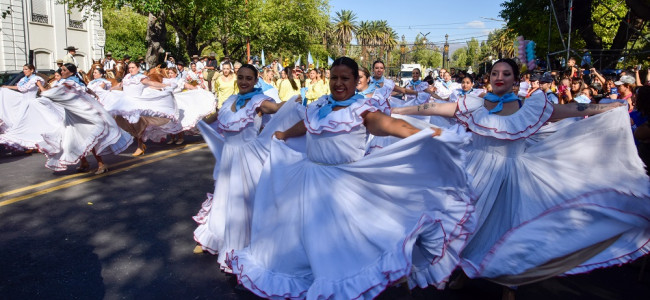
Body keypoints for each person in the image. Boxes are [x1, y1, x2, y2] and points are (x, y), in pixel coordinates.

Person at [392, 58, 650, 296]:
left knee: (509, 229)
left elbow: (572, 109)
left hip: (515, 176)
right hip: (476, 172)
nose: (499, 77)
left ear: (516, 79)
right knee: (466, 227)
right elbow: (435, 106)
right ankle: (464, 272)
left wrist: (609, 107)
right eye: (495, 73)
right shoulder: (473, 104)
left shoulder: (530, 106)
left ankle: (509, 285)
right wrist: (399, 111)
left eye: (506, 73)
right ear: (489, 78)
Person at [228, 57, 475, 299]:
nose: (338, 83)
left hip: (344, 185)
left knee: (349, 243)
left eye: (345, 78)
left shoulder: (361, 110)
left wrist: (432, 133)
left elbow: (392, 125)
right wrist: (282, 134)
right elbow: (307, 125)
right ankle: (318, 277)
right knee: (305, 239)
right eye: (334, 77)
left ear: (356, 80)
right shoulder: (319, 105)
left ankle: (350, 284)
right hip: (309, 179)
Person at [192, 64, 301, 270]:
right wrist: (197, 122)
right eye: (241, 77)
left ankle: (242, 247)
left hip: (248, 157)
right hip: (229, 156)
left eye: (249, 78)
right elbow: (214, 117)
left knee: (244, 202)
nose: (244, 82)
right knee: (224, 198)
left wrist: (293, 101)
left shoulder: (259, 101)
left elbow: (277, 108)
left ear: (255, 80)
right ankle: (218, 239)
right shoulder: (230, 100)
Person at [36, 63, 132, 173]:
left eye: (64, 70)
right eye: (61, 70)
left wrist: (40, 85)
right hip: (72, 115)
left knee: (87, 137)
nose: (61, 72)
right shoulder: (74, 80)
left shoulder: (69, 82)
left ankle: (101, 164)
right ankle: (84, 162)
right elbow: (86, 90)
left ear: (71, 72)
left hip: (81, 115)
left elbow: (50, 92)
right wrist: (94, 95)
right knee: (73, 138)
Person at [102, 61, 177, 156]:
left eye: (133, 67)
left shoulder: (140, 78)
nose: (131, 69)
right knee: (120, 120)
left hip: (136, 103)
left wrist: (166, 85)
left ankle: (140, 145)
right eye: (129, 68)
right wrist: (109, 90)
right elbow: (119, 85)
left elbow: (152, 83)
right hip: (124, 103)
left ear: (138, 68)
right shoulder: (127, 77)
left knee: (136, 124)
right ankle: (138, 143)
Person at [0, 64, 63, 150]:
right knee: (21, 123)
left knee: (34, 123)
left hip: (31, 103)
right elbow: (19, 87)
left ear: (32, 70)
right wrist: (6, 87)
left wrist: (49, 95)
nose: (24, 71)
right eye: (24, 69)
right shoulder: (24, 79)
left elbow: (42, 89)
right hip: (23, 103)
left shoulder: (36, 79)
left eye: (26, 69)